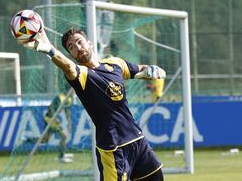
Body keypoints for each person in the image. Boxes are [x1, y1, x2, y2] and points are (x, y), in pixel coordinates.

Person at [15, 24, 165, 180]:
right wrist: (48, 49)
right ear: (72, 55)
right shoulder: (83, 75)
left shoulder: (115, 63)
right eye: (71, 47)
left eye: (80, 42)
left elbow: (140, 69)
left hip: (138, 141)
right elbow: (68, 66)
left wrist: (152, 70)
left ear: (90, 43)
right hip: (114, 149)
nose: (78, 48)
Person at [42, 89, 74, 163]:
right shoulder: (59, 97)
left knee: (44, 140)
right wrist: (54, 118)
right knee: (64, 136)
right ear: (69, 90)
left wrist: (69, 123)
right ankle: (61, 157)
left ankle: (26, 139)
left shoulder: (69, 99)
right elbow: (50, 107)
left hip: (52, 119)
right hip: (50, 119)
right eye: (73, 91)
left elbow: (67, 111)